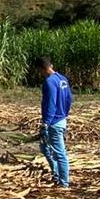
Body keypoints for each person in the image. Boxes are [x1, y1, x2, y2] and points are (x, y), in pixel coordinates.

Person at [37, 56, 72, 188]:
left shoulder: (49, 82)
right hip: (61, 119)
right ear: (51, 65)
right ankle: (57, 175)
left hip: (54, 122)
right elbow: (69, 98)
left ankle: (63, 183)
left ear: (41, 69)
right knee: (45, 148)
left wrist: (46, 122)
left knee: (59, 153)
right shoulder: (62, 79)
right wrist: (65, 113)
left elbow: (50, 103)